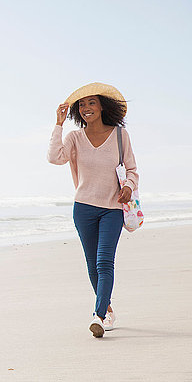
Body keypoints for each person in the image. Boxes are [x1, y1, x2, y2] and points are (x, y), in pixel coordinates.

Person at [47, 82, 139, 338]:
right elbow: (55, 158)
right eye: (82, 104)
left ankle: (98, 315)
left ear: (102, 106)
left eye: (92, 102)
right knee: (91, 264)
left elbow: (132, 170)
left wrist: (129, 187)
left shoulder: (120, 135)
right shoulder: (74, 137)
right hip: (84, 208)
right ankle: (107, 309)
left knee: (104, 262)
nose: (87, 108)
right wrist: (58, 124)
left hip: (112, 208)